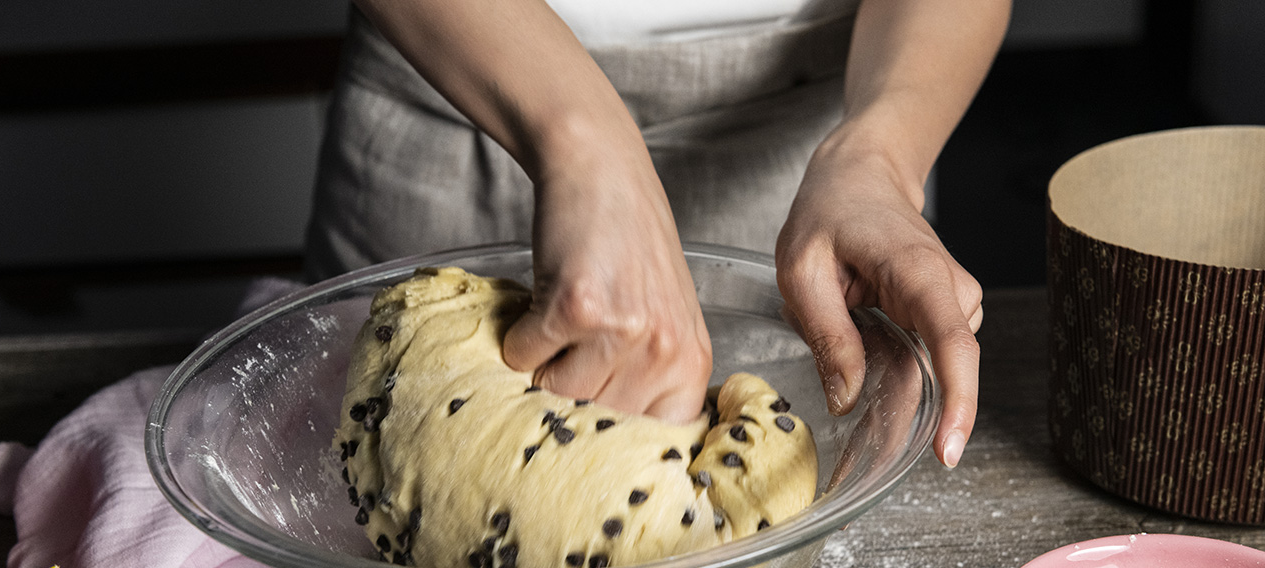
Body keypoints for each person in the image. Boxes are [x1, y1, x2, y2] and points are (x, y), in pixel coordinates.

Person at [306, 0, 1010, 468]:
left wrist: (879, 156)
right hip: (452, 96)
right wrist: (584, 139)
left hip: (817, 139)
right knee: (386, 463)